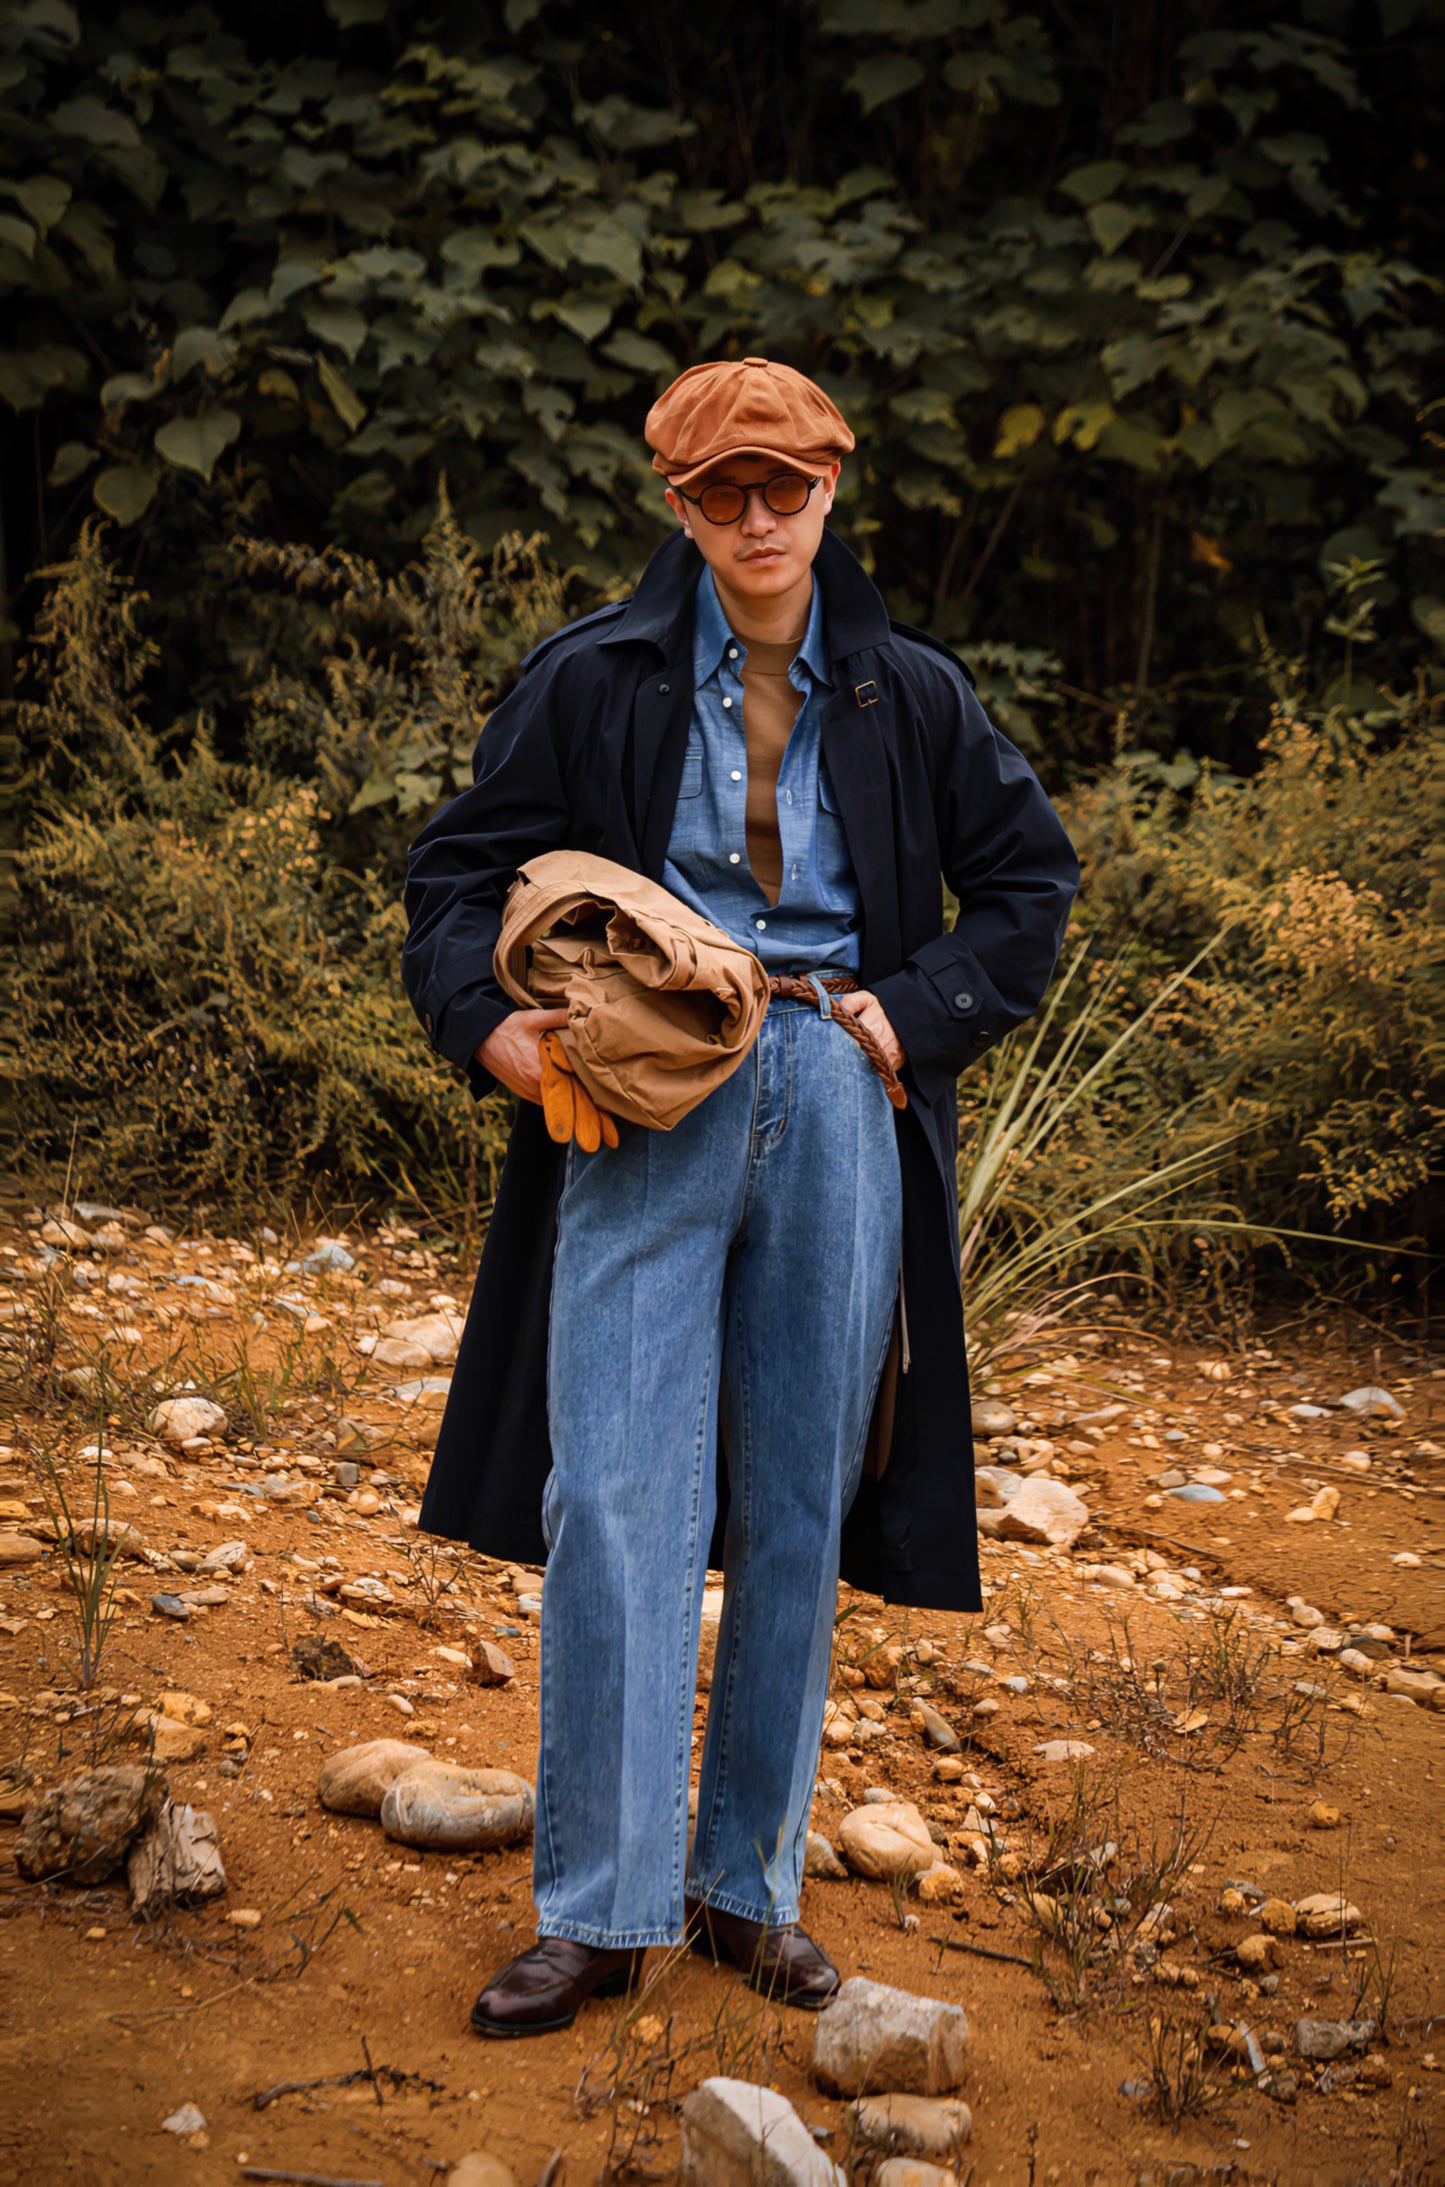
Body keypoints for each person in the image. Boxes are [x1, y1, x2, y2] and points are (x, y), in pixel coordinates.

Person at [402, 356, 1080, 2038]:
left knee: (794, 1507)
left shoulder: (909, 691)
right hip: (643, 1100)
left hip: (840, 1097)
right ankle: (601, 1910)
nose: (759, 518)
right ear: (675, 504)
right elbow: (452, 874)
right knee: (616, 1498)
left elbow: (1027, 887)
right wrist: (495, 1033)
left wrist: (903, 1018)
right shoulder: (594, 677)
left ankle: (741, 1893)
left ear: (833, 485)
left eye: (787, 486)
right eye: (723, 493)